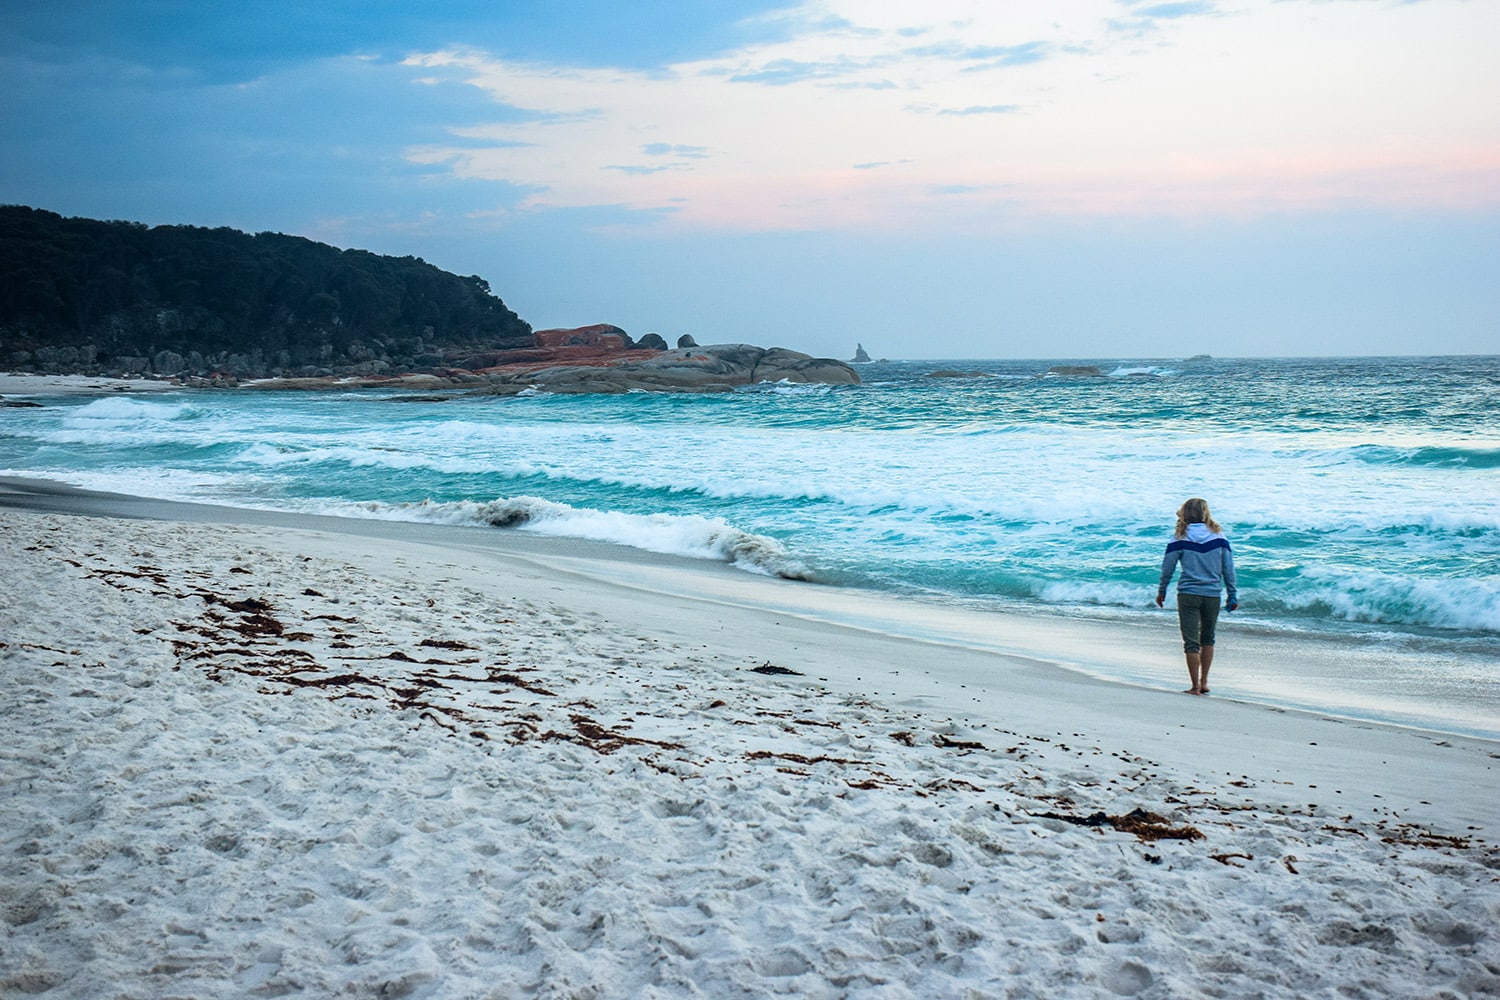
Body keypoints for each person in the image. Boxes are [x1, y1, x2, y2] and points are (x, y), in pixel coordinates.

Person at [1156, 498, 1238, 695]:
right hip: (1212, 594)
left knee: (1191, 641)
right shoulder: (1219, 536)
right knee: (1208, 638)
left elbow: (1168, 567)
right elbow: (1228, 568)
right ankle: (1204, 682)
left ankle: (1194, 686)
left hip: (1188, 593)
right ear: (1204, 513)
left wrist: (1162, 590)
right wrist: (1232, 594)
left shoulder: (1180, 537)